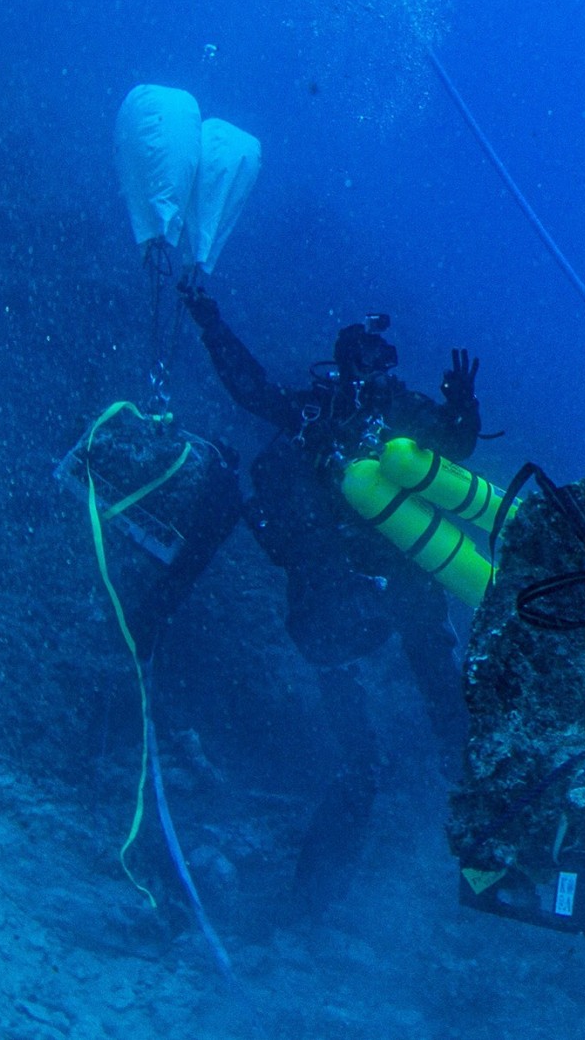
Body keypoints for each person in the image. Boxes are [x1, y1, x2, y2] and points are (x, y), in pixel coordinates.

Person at [176, 283, 484, 909]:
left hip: (403, 583)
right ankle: (314, 900)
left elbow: (452, 452)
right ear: (344, 361)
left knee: (451, 713)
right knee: (360, 761)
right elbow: (251, 387)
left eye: (383, 357)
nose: (375, 368)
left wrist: (463, 410)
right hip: (334, 597)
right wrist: (212, 322)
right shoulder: (314, 414)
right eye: (364, 356)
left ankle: (486, 837)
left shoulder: (404, 411)